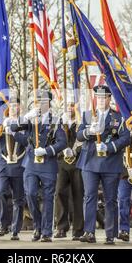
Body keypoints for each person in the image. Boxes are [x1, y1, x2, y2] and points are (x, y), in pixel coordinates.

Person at [10, 90, 66, 242]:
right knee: (30, 194)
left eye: (44, 101)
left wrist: (47, 150)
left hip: (48, 164)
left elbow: (62, 142)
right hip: (31, 163)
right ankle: (38, 225)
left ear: (49, 103)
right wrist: (27, 117)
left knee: (48, 198)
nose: (41, 104)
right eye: (38, 101)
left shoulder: (55, 121)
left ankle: (46, 232)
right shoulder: (30, 119)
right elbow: (14, 128)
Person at [76, 85, 130, 245]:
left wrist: (109, 147)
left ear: (109, 99)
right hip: (90, 162)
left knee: (110, 199)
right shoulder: (88, 116)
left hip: (110, 163)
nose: (100, 100)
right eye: (98, 98)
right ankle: (89, 232)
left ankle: (110, 234)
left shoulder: (118, 118)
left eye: (103, 97)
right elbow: (79, 135)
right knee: (89, 197)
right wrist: (88, 132)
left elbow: (126, 138)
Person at [0, 96, 27, 240]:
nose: (14, 108)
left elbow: (27, 142)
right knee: (0, 193)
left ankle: (15, 229)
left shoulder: (25, 123)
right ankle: (3, 225)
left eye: (16, 105)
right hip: (3, 163)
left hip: (19, 165)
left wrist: (16, 132)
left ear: (20, 107)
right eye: (11, 105)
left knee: (18, 199)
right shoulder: (1, 122)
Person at [54, 101, 84, 241]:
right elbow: (54, 140)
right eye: (68, 106)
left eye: (72, 106)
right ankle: (61, 227)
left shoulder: (82, 122)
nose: (70, 108)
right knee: (60, 192)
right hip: (62, 161)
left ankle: (78, 230)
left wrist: (75, 151)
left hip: (78, 161)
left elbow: (84, 140)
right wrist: (62, 150)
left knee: (78, 194)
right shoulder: (59, 122)